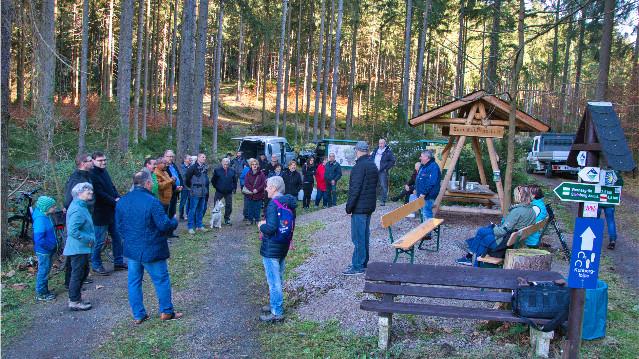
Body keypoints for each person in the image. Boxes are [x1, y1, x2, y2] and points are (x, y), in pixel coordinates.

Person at [116, 171, 182, 324]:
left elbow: (119, 227)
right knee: (161, 280)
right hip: (151, 249)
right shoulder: (152, 201)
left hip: (132, 249)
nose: (152, 184)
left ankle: (138, 315)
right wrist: (174, 221)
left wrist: (129, 239)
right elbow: (164, 225)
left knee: (134, 282)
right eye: (151, 181)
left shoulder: (123, 201)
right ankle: (166, 311)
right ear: (146, 183)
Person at [456, 186, 536, 266]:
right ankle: (471, 252)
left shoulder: (517, 211)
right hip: (515, 240)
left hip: (503, 243)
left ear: (519, 196)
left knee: (483, 233)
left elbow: (501, 231)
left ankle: (471, 254)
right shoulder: (531, 211)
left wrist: (494, 227)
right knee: (485, 231)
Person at [258, 176, 297, 322]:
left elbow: (271, 228)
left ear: (274, 188)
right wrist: (290, 240)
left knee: (273, 281)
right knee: (278, 277)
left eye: (268, 186)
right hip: (283, 245)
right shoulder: (289, 203)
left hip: (271, 247)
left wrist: (261, 225)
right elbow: (292, 224)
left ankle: (276, 312)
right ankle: (275, 303)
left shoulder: (273, 204)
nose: (266, 188)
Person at [343, 142, 379, 276]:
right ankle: (362, 262)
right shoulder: (372, 164)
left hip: (359, 207)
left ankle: (357, 265)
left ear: (358, 151)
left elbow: (355, 189)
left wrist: (349, 207)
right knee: (364, 236)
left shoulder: (359, 166)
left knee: (358, 237)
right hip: (368, 206)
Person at [90, 151, 125, 275]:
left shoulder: (104, 172)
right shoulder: (92, 175)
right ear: (93, 161)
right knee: (99, 241)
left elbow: (111, 187)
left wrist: (118, 198)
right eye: (100, 160)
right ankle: (96, 264)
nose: (103, 162)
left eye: (104, 160)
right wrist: (114, 201)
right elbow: (99, 194)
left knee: (118, 237)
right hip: (99, 213)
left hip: (111, 211)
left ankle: (119, 262)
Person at [64, 182, 95, 311]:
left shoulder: (80, 205)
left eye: (91, 190)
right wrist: (89, 239)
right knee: (78, 274)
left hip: (79, 247)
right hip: (78, 248)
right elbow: (72, 230)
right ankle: (74, 301)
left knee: (81, 272)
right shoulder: (78, 208)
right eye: (88, 191)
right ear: (79, 193)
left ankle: (75, 298)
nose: (91, 193)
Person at [32, 196, 58, 301]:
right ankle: (41, 294)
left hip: (47, 250)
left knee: (46, 270)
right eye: (52, 207)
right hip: (44, 251)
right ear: (46, 208)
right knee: (43, 271)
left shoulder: (46, 215)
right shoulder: (40, 220)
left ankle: (44, 290)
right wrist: (50, 246)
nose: (55, 208)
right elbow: (39, 239)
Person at [410, 150, 441, 220]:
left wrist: (424, 193)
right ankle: (424, 230)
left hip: (428, 196)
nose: (420, 158)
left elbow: (431, 182)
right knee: (423, 213)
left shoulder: (433, 167)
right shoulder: (423, 166)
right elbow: (420, 180)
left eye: (421, 156)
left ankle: (428, 230)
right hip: (421, 195)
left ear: (427, 157)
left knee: (427, 214)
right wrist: (416, 189)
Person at [185, 153, 210, 234]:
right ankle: (190, 227)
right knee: (192, 209)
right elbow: (187, 179)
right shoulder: (192, 168)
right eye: (203, 157)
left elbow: (206, 179)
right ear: (198, 158)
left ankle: (199, 226)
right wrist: (191, 188)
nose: (204, 158)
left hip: (203, 191)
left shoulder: (205, 168)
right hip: (194, 192)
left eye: (205, 157)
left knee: (200, 209)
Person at [599, 170, 622, 249]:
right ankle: (612, 240)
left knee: (595, 220)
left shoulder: (598, 170)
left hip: (597, 199)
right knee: (610, 221)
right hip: (610, 200)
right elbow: (620, 184)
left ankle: (594, 238)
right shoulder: (615, 172)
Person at [211, 157, 237, 226]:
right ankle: (215, 221)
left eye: (227, 163)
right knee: (216, 205)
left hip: (228, 192)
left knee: (229, 205)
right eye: (224, 163)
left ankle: (227, 219)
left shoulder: (232, 170)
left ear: (229, 163)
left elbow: (234, 180)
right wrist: (216, 187)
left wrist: (234, 188)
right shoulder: (217, 170)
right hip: (219, 191)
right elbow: (213, 180)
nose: (226, 165)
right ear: (222, 163)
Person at [371, 139, 396, 206]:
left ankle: (383, 200)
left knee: (383, 186)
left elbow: (393, 161)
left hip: (383, 171)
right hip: (374, 170)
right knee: (374, 185)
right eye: (379, 143)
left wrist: (386, 168)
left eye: (382, 143)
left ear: (385, 143)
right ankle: (373, 200)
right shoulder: (375, 150)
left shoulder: (388, 151)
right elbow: (371, 158)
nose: (380, 145)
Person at [244, 158, 267, 225]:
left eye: (255, 164)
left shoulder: (261, 174)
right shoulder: (248, 173)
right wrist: (252, 189)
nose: (254, 165)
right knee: (250, 207)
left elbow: (264, 183)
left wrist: (257, 189)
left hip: (259, 194)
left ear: (258, 165)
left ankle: (257, 219)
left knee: (257, 207)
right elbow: (246, 183)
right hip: (250, 194)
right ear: (251, 165)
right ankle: (250, 220)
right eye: (253, 164)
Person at [164, 150, 183, 221]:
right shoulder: (163, 167)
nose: (171, 158)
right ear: (164, 156)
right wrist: (175, 187)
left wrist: (181, 185)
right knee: (167, 212)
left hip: (175, 192)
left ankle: (171, 229)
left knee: (173, 211)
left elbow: (179, 175)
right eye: (169, 156)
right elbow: (167, 180)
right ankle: (167, 230)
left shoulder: (173, 165)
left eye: (172, 156)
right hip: (167, 193)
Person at [179, 155, 192, 221]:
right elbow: (183, 177)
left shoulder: (191, 167)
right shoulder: (181, 167)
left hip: (191, 187)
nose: (190, 160)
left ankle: (188, 215)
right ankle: (181, 216)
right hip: (184, 187)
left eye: (191, 159)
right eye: (189, 159)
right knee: (183, 201)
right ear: (185, 159)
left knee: (190, 201)